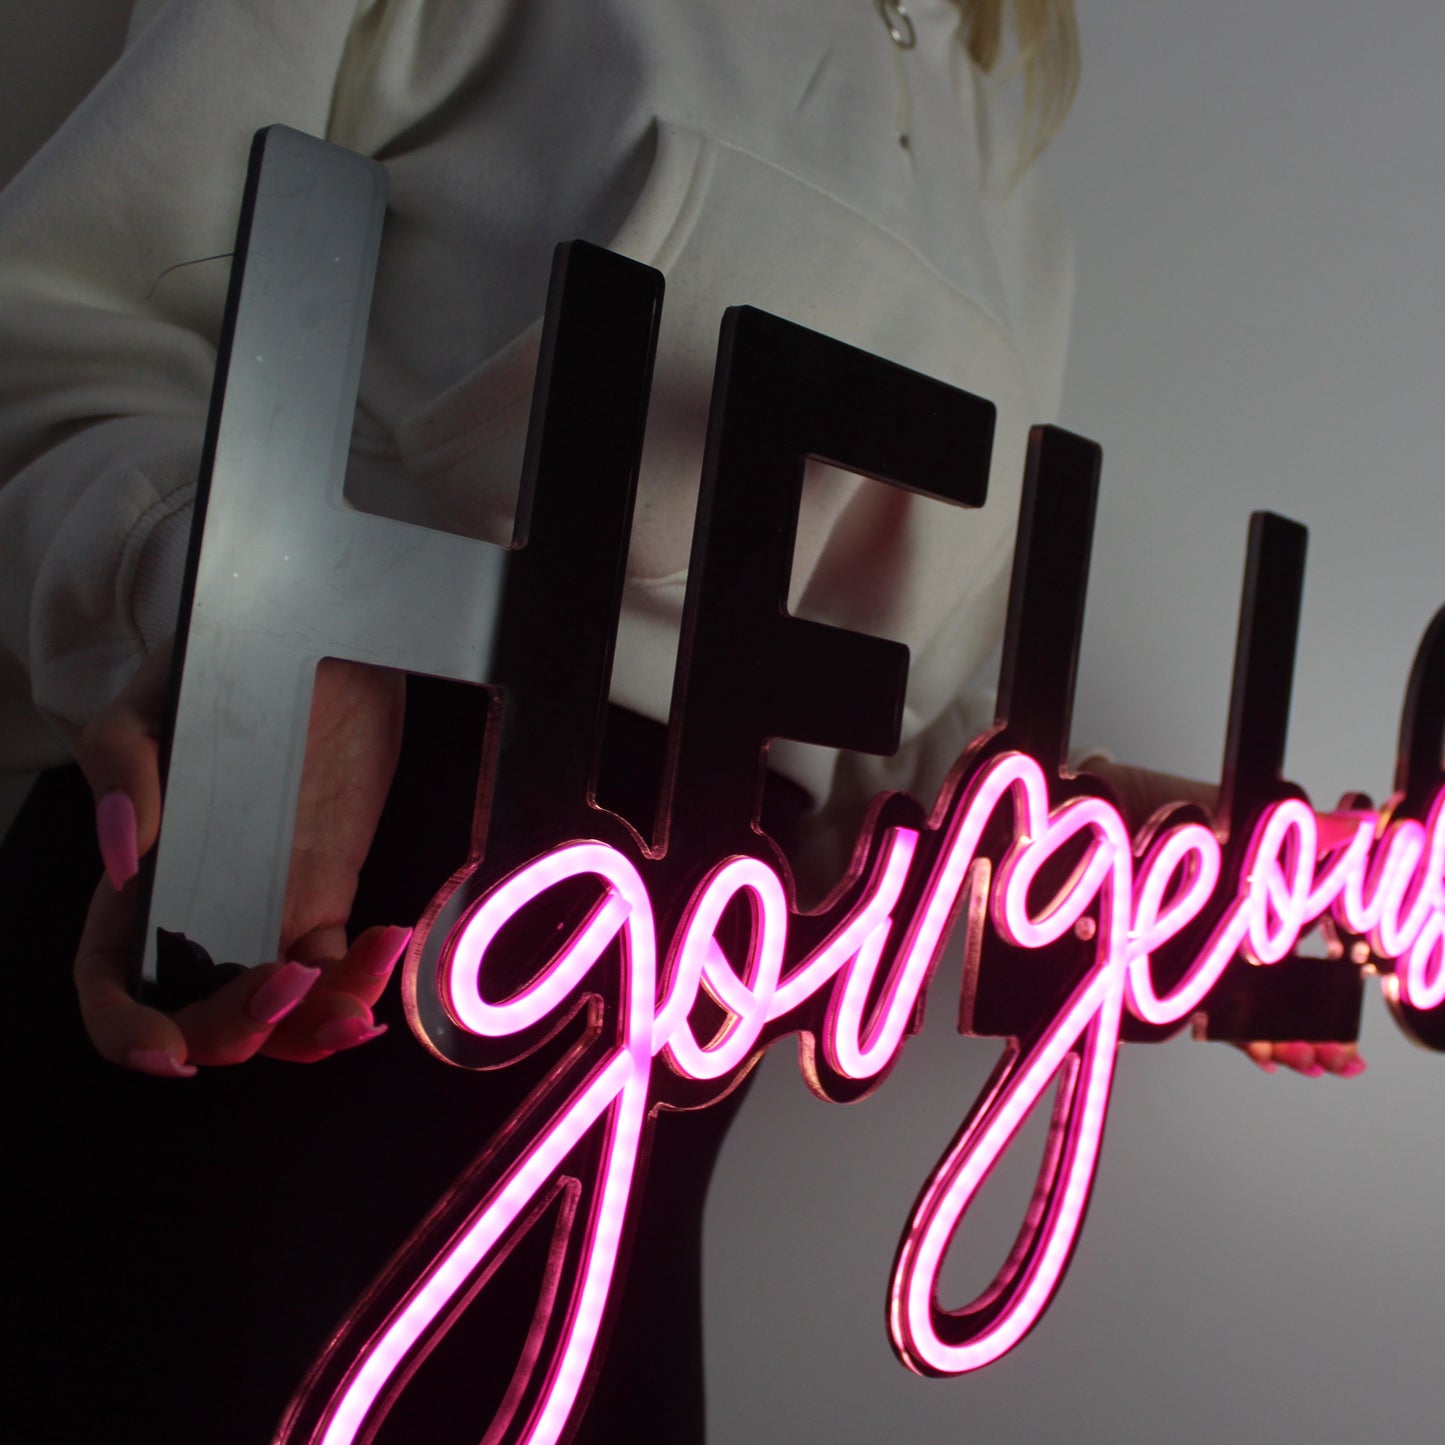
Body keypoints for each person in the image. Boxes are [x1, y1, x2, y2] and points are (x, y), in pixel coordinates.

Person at [0, 2, 1355, 1440]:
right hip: (301, 942)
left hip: (659, 1068)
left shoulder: (1000, 166)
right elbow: (56, 322)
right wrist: (231, 627)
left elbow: (867, 712)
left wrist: (1088, 836)